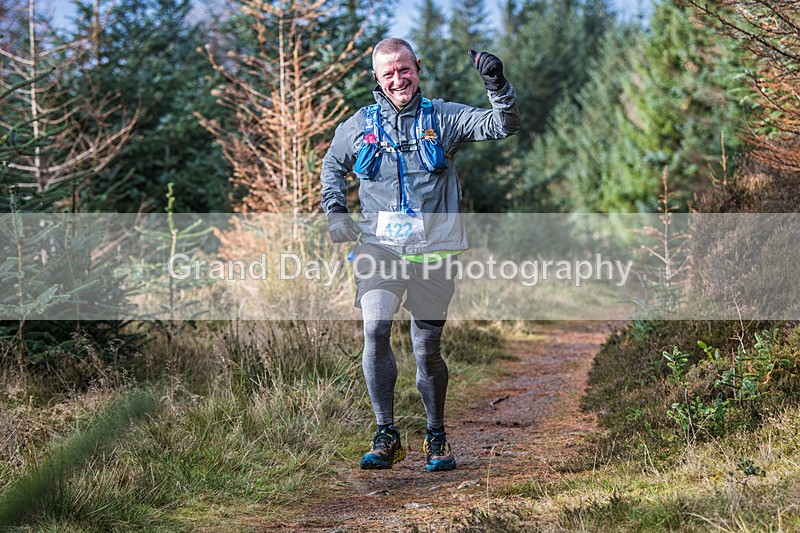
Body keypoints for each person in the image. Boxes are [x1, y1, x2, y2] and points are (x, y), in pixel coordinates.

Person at [320, 37, 520, 471]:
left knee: (426, 348)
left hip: (435, 251)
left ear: (418, 68)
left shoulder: (443, 118)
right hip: (379, 247)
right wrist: (335, 210)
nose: (398, 79)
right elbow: (332, 164)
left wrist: (496, 84)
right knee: (375, 328)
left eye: (404, 70)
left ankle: (436, 435)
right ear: (376, 77)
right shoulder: (359, 124)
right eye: (388, 73)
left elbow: (503, 126)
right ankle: (385, 432)